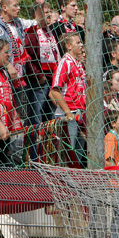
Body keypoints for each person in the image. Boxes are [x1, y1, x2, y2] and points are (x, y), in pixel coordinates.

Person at [49, 32, 87, 164]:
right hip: (69, 115)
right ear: (69, 46)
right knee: (67, 154)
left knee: (77, 155)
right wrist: (67, 112)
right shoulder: (65, 62)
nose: (81, 45)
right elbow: (54, 91)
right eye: (78, 42)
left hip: (81, 113)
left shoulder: (78, 64)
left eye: (81, 42)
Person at [23, 1, 61, 126]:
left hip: (53, 78)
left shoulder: (50, 31)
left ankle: (48, 137)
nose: (49, 15)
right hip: (39, 81)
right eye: (45, 12)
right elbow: (28, 56)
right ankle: (34, 138)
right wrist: (38, 76)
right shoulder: (32, 32)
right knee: (36, 115)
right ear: (37, 14)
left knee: (50, 115)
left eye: (50, 12)